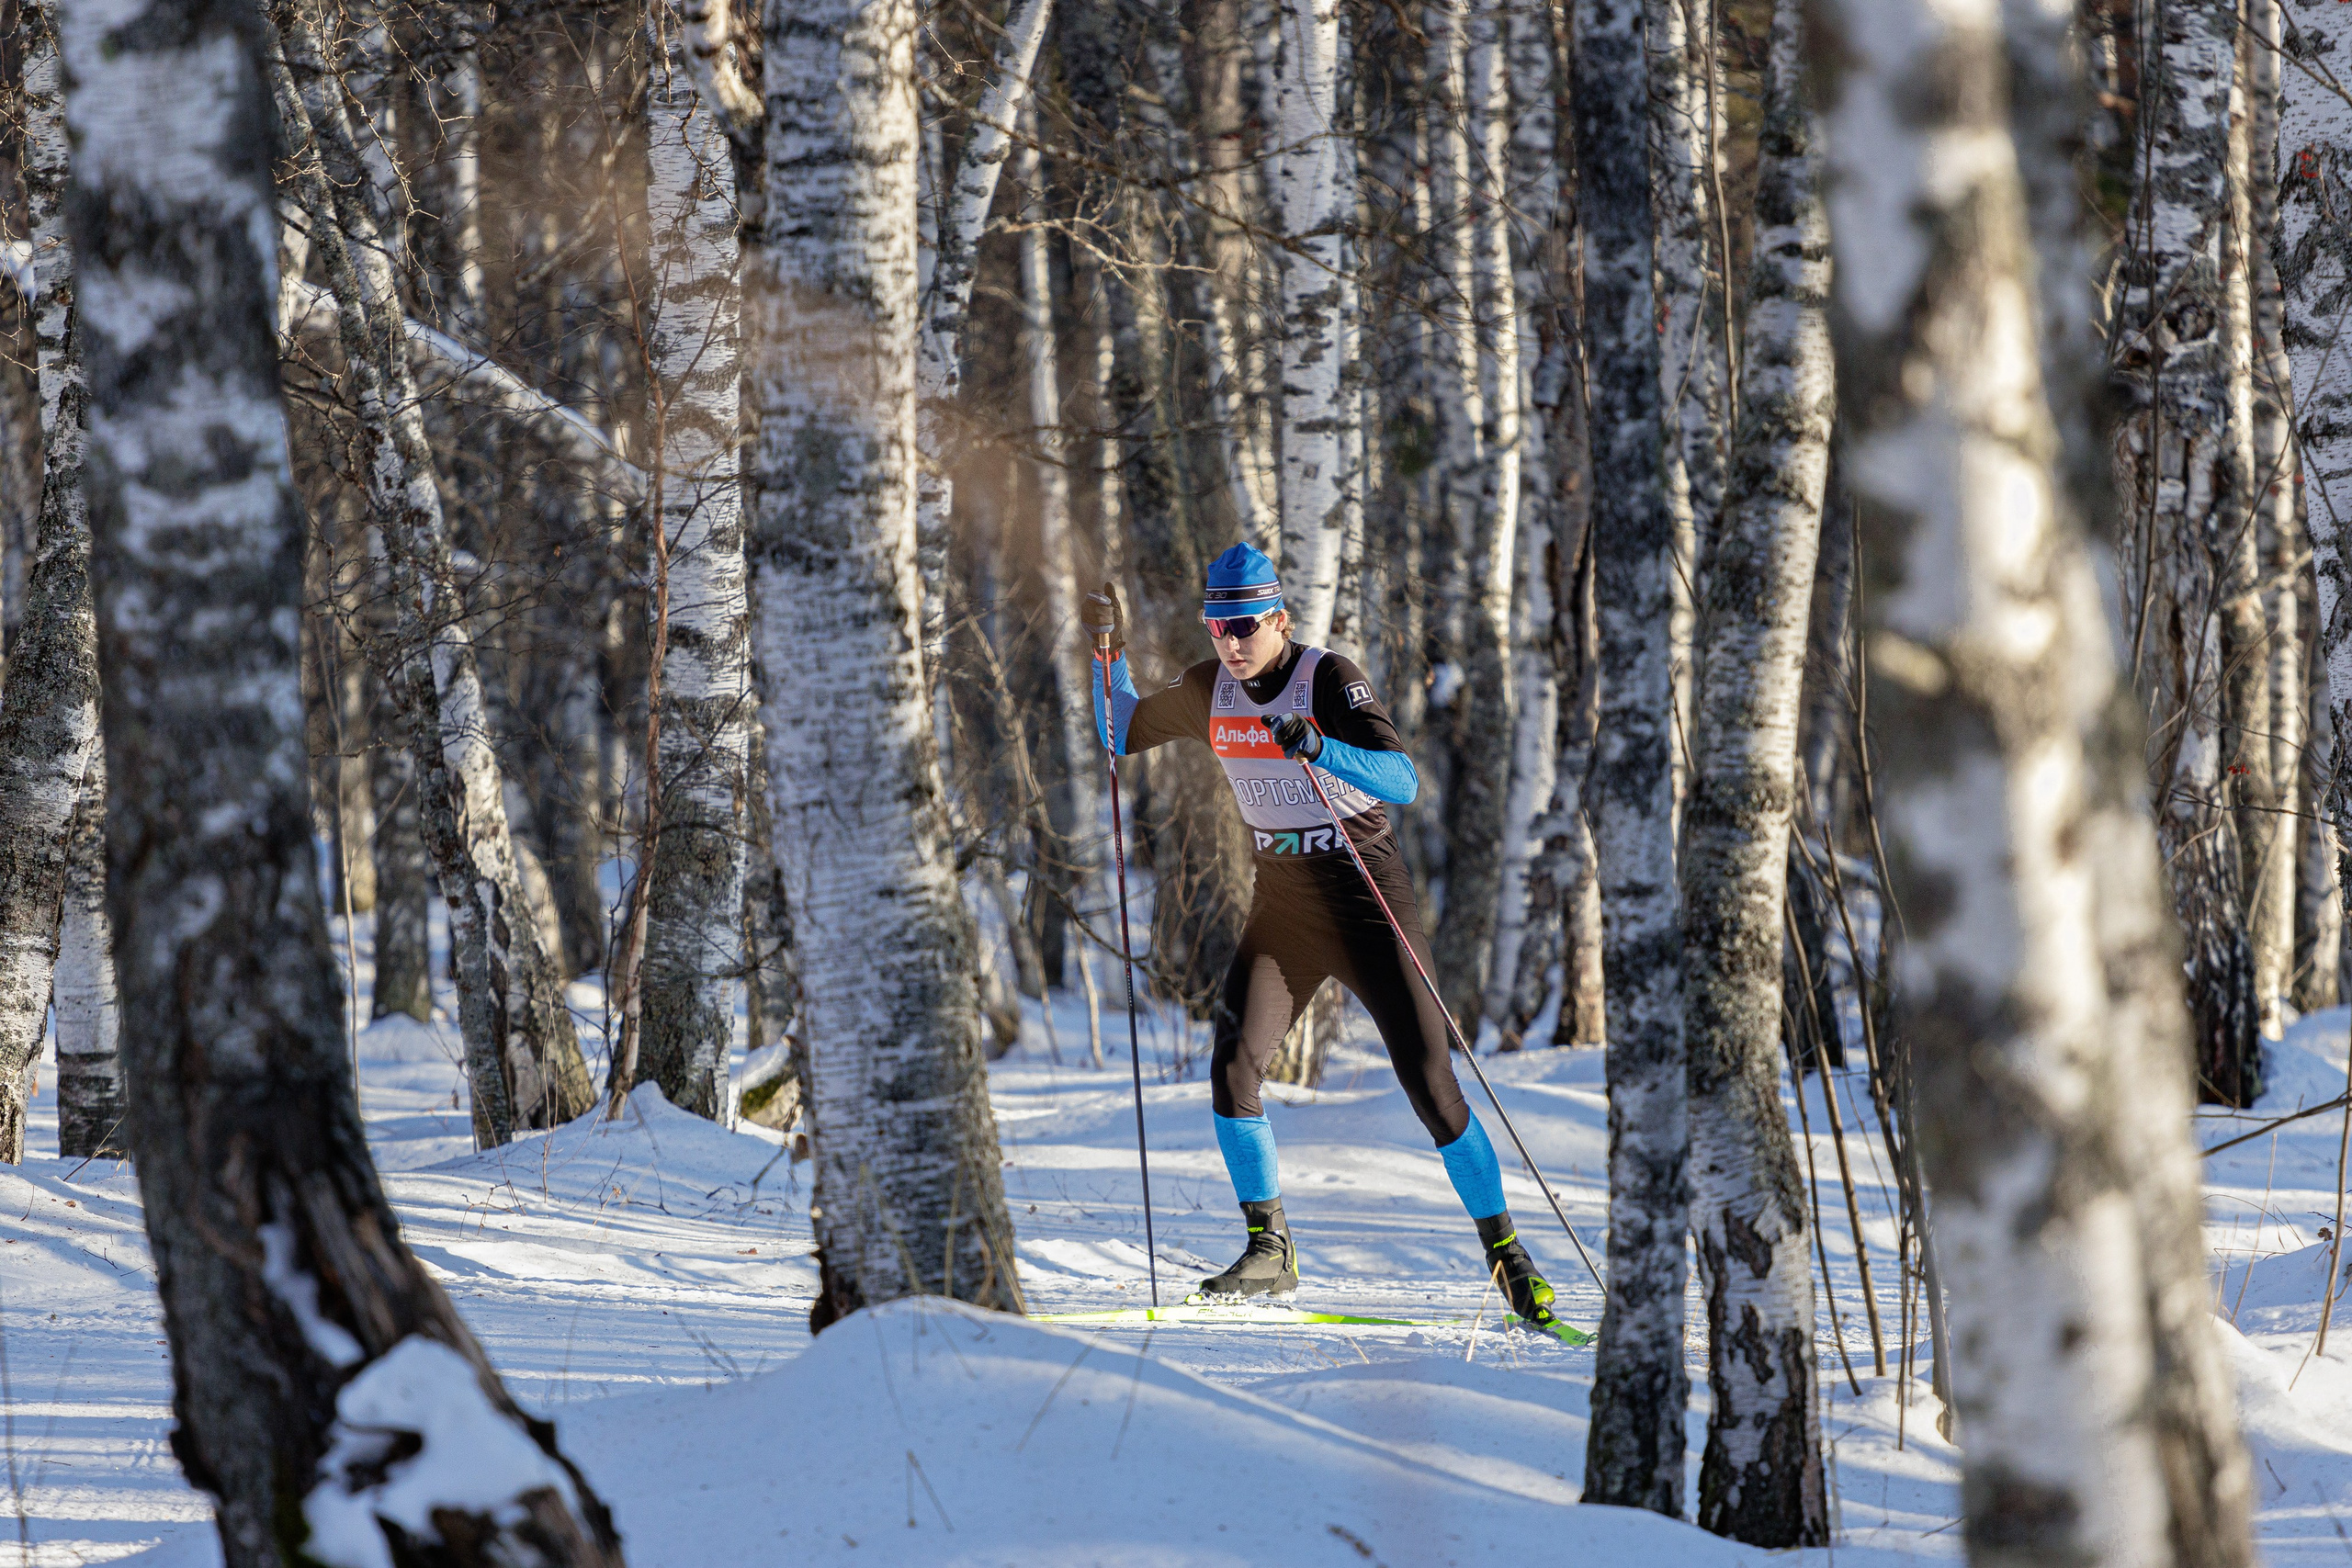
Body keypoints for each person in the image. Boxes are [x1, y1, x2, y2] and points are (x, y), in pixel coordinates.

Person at [1081, 543, 1566, 1335]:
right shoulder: (1212, 689)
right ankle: (1270, 1247)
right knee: (1233, 1066)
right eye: (1217, 628)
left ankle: (1508, 1252)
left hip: (1367, 895)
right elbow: (1123, 729)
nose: (1231, 644)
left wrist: (1316, 745)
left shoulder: (1329, 679)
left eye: (1244, 625)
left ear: (1278, 619)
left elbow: (1403, 781)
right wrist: (1109, 654)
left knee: (1430, 1084)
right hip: (1284, 904)